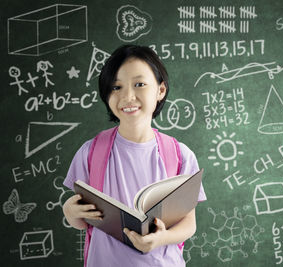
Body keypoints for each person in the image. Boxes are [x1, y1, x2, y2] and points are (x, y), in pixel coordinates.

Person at [62, 45, 206, 266]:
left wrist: (161, 239)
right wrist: (70, 213)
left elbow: (189, 224)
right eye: (116, 87)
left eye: (139, 84)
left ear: (160, 90)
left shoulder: (180, 155)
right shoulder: (90, 153)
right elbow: (83, 222)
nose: (128, 96)